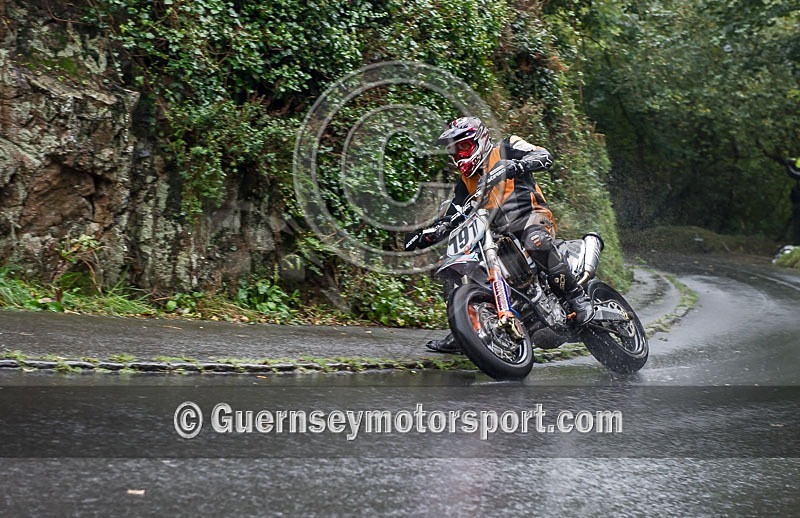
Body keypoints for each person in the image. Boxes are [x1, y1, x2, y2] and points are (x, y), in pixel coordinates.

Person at [405, 116, 593, 354]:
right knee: (453, 266)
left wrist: (518, 165)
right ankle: (466, 328)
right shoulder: (465, 182)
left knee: (535, 240)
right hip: (494, 236)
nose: (460, 155)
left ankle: (578, 298)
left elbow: (543, 155)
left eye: (464, 147)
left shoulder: (507, 147)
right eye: (455, 151)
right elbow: (453, 212)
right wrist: (431, 232)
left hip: (530, 215)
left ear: (479, 140)